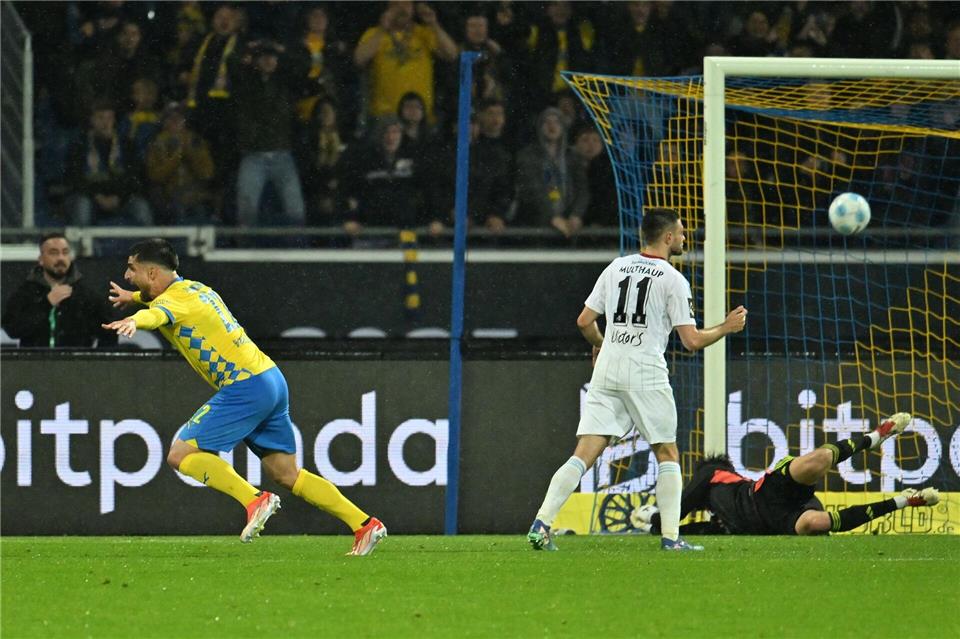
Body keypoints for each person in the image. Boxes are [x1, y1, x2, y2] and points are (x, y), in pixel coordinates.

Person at [101, 239, 386, 555]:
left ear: (152, 272)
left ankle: (254, 500)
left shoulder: (172, 302)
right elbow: (160, 303)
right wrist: (136, 298)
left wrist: (133, 320)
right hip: (270, 378)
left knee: (179, 455)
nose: (127, 276)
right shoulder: (196, 289)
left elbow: (157, 316)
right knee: (287, 474)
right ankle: (364, 525)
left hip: (245, 386)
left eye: (132, 269)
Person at [527, 207, 747, 552]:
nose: (685, 237)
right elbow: (691, 341)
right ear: (669, 237)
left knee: (583, 454)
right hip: (645, 369)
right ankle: (672, 538)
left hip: (609, 368)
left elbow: (584, 320)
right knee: (667, 453)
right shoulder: (673, 279)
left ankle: (541, 524)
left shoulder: (616, 267)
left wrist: (601, 345)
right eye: (683, 232)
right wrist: (725, 327)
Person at [634, 413, 941, 535]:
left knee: (815, 461)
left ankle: (873, 439)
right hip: (774, 522)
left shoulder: (712, 474)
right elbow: (685, 532)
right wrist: (653, 527)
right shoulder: (721, 523)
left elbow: (675, 514)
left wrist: (654, 518)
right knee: (816, 522)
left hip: (765, 493)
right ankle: (902, 501)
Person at [2, 233, 118, 348]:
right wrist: (46, 304)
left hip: (75, 364)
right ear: (41, 259)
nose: (60, 258)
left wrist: (93, 361)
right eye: (54, 253)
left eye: (65, 252)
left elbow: (110, 331)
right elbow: (12, 329)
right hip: (35, 363)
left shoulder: (85, 295)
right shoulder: (26, 293)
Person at [353, 1, 458, 126]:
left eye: (407, 5)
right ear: (387, 9)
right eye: (396, 5)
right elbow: (359, 59)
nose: (402, 9)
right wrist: (382, 30)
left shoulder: (424, 33)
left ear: (413, 9)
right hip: (385, 118)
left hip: (420, 117)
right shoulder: (374, 33)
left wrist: (434, 24)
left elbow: (452, 54)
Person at [64, 101, 153, 226]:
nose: (106, 123)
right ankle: (79, 245)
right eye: (100, 118)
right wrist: (97, 196)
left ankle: (149, 245)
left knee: (141, 207)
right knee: (82, 206)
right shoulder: (80, 145)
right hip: (90, 197)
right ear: (92, 120)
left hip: (121, 198)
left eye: (109, 118)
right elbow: (75, 178)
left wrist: (119, 197)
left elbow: (135, 177)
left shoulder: (126, 145)